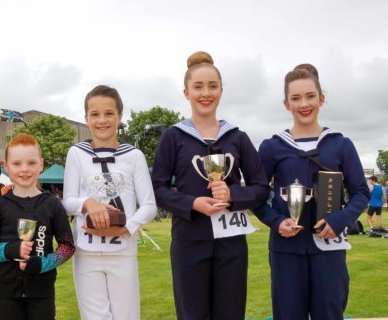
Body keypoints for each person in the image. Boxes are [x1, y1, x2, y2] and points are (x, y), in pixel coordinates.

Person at [151, 51, 269, 320]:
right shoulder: (173, 137)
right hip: (189, 240)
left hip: (232, 243)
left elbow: (262, 187)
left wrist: (233, 195)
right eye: (198, 86)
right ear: (186, 92)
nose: (206, 93)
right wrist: (191, 203)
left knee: (230, 314)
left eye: (213, 86)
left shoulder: (237, 137)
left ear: (221, 90)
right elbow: (157, 189)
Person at [252, 63, 369, 320]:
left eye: (310, 96)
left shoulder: (341, 144)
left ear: (321, 99)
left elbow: (360, 192)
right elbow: (256, 196)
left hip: (329, 250)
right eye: (296, 98)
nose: (303, 104)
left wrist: (339, 220)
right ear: (286, 104)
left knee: (329, 313)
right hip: (286, 251)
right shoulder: (272, 147)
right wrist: (276, 221)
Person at [63, 85, 157, 320]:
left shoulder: (134, 156)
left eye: (109, 113)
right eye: (94, 114)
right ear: (86, 118)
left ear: (119, 117)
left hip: (122, 252)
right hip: (86, 252)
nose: (102, 120)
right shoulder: (76, 153)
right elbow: (67, 202)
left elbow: (149, 205)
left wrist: (125, 228)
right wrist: (88, 203)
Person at [0, 133, 75, 320]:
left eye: (31, 163)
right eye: (17, 163)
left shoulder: (52, 204)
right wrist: (9, 250)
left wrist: (42, 264)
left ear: (41, 164)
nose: (24, 170)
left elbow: (67, 247)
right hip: (7, 292)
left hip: (42, 291)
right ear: (5, 167)